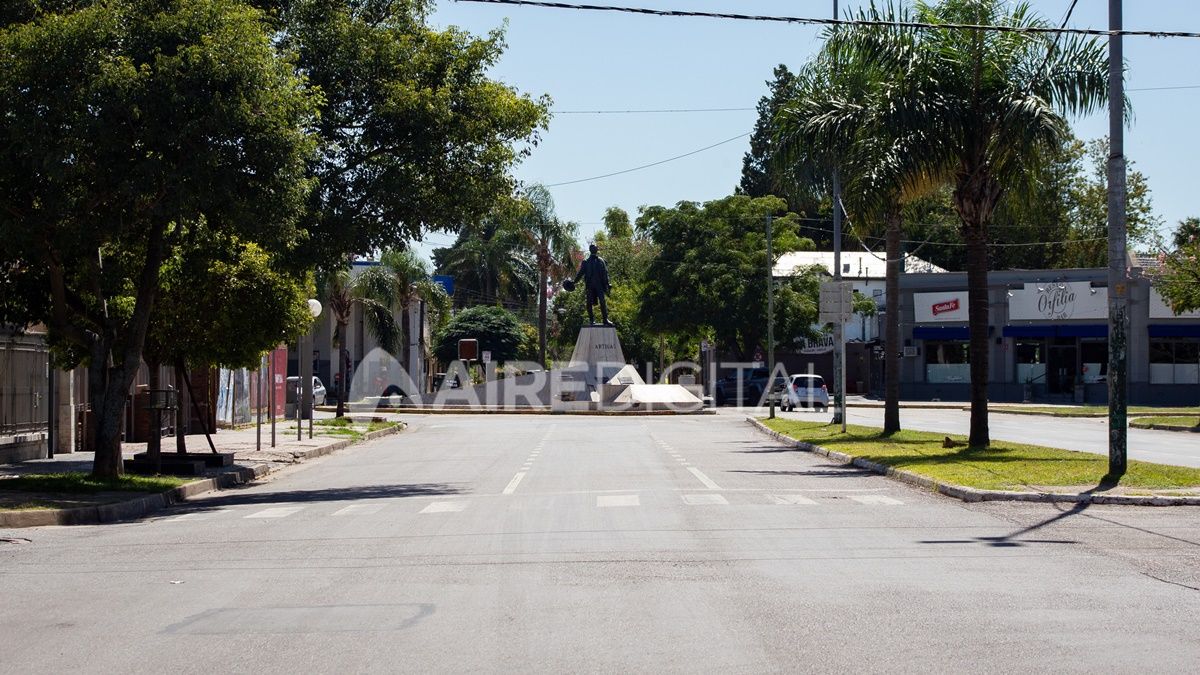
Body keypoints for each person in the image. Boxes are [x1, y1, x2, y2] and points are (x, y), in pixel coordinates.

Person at [573, 243, 612, 325]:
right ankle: (591, 320)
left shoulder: (601, 260)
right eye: (594, 247)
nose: (596, 248)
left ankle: (605, 319)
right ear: (591, 250)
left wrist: (608, 284)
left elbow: (606, 273)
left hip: (599, 285)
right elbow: (580, 273)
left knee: (602, 301)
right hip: (590, 285)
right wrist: (574, 282)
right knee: (589, 302)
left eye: (596, 247)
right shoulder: (586, 262)